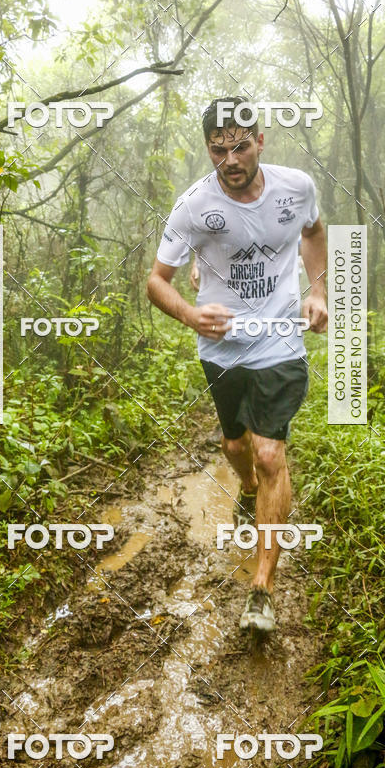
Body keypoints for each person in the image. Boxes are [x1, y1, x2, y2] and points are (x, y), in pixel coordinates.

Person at [146, 96, 328, 632]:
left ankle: (262, 589)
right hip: (222, 348)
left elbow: (314, 233)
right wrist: (190, 315)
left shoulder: (296, 188)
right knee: (235, 447)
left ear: (260, 142)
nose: (230, 160)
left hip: (280, 343)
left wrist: (317, 290)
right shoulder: (193, 206)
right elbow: (156, 281)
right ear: (209, 149)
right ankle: (247, 489)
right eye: (218, 149)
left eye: (241, 146)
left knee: (271, 453)